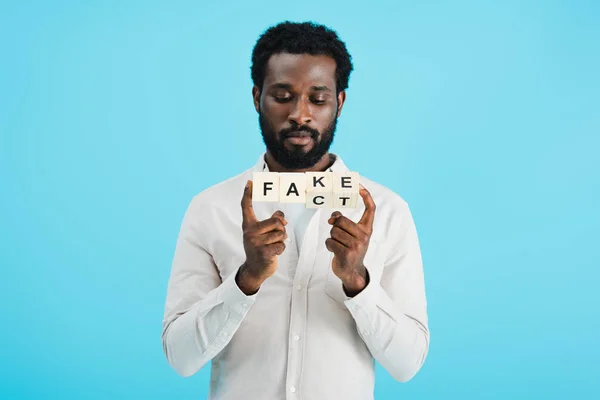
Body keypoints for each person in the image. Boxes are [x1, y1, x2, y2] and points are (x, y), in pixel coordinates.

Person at [161, 21, 429, 400]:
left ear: (340, 102)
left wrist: (358, 281)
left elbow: (408, 364)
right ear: (257, 98)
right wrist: (246, 279)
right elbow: (180, 357)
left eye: (318, 99)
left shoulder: (387, 210)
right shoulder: (211, 208)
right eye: (283, 96)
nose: (300, 115)